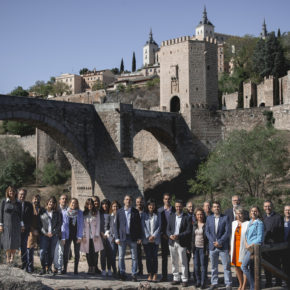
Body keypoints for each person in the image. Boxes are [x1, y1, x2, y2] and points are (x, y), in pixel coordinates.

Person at [115, 194, 142, 282]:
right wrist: (117, 237)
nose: (128, 201)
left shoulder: (135, 211)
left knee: (134, 257)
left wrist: (139, 237)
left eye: (130, 200)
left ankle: (134, 274)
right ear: (124, 201)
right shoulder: (119, 211)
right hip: (122, 237)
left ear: (131, 201)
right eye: (126, 199)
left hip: (132, 237)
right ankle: (122, 273)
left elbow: (139, 226)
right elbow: (116, 226)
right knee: (121, 256)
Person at [205, 200, 232, 290]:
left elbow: (227, 232)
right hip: (212, 246)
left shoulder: (225, 218)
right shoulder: (209, 218)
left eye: (218, 206)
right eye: (215, 207)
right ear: (212, 209)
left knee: (226, 266)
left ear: (220, 208)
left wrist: (220, 242)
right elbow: (207, 232)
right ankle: (214, 282)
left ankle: (228, 284)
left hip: (223, 246)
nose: (216, 208)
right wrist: (214, 241)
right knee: (213, 266)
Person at [167, 199, 192, 287]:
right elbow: (168, 229)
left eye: (180, 206)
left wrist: (179, 235)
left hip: (182, 242)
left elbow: (188, 231)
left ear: (182, 207)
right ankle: (176, 278)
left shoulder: (187, 217)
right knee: (174, 261)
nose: (178, 208)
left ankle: (184, 279)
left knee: (183, 262)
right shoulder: (171, 216)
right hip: (172, 242)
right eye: (176, 206)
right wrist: (170, 235)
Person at [241, 206, 264, 290]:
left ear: (258, 212)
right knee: (251, 269)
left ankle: (254, 285)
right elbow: (246, 235)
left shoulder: (259, 223)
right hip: (248, 248)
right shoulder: (250, 222)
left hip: (254, 249)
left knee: (243, 266)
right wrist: (246, 243)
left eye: (255, 211)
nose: (253, 213)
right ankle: (252, 287)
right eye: (252, 211)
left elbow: (260, 238)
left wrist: (250, 245)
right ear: (250, 213)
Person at [263, 200, 284, 287]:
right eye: (266, 206)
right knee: (266, 266)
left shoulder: (278, 217)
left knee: (276, 265)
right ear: (263, 208)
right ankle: (268, 283)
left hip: (274, 246)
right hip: (264, 246)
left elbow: (280, 232)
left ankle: (278, 283)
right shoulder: (262, 217)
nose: (267, 208)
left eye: (269, 206)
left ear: (272, 206)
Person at [0, 186, 23, 265]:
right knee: (7, 241)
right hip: (6, 224)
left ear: (15, 192)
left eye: (13, 191)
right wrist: (1, 224)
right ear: (7, 192)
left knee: (14, 240)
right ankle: (7, 257)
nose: (12, 192)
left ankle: (12, 257)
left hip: (16, 224)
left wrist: (22, 225)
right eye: (10, 191)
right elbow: (1, 214)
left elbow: (21, 215)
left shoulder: (18, 202)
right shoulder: (4, 201)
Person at [39, 196, 62, 275]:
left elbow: (59, 224)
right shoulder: (42, 211)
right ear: (47, 202)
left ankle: (49, 268)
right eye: (50, 201)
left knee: (51, 253)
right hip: (44, 235)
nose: (51, 203)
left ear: (55, 204)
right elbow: (39, 224)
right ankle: (43, 268)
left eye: (53, 202)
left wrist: (53, 232)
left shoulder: (57, 213)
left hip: (54, 236)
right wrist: (44, 232)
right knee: (42, 252)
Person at [81, 198, 104, 274]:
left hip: (94, 236)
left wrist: (97, 234)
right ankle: (90, 267)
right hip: (86, 237)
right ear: (86, 205)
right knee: (88, 253)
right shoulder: (84, 213)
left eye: (91, 204)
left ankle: (94, 267)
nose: (90, 206)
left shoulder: (96, 213)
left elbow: (98, 224)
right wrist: (83, 236)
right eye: (88, 204)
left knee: (95, 253)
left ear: (93, 205)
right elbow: (82, 226)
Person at [230, 206, 249, 290]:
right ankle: (240, 284)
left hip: (243, 248)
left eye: (241, 213)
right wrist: (230, 249)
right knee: (236, 267)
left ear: (244, 214)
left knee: (244, 267)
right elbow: (231, 237)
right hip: (235, 248)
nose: (239, 215)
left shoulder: (247, 223)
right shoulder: (233, 223)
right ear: (236, 215)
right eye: (238, 214)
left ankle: (244, 286)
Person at [62, 198, 83, 275]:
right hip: (67, 235)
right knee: (66, 252)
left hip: (77, 235)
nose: (73, 204)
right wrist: (63, 237)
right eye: (72, 203)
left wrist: (80, 236)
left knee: (77, 253)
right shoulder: (65, 213)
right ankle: (65, 269)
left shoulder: (80, 213)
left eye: (75, 203)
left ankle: (76, 269)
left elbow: (81, 225)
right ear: (70, 203)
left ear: (77, 204)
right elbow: (63, 226)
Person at [141, 198, 160, 283]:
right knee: (148, 257)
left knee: (155, 257)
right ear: (147, 206)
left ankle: (155, 273)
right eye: (149, 205)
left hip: (155, 240)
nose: (151, 206)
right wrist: (148, 236)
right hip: (147, 239)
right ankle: (149, 274)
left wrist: (154, 236)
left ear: (155, 206)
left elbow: (160, 226)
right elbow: (143, 225)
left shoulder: (158, 214)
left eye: (152, 205)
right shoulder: (144, 214)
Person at [158, 193, 175, 282]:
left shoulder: (174, 210)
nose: (167, 200)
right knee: (164, 257)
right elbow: (158, 224)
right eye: (165, 199)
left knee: (174, 257)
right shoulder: (159, 211)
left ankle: (175, 276)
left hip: (173, 237)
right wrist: (162, 234)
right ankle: (164, 276)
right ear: (163, 200)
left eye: (168, 199)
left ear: (170, 199)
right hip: (164, 237)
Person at [192, 208, 208, 289]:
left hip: (203, 248)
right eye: (198, 214)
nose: (199, 216)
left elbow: (207, 238)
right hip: (195, 248)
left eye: (201, 214)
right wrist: (191, 248)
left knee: (203, 266)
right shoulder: (194, 224)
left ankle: (203, 282)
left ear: (203, 215)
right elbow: (192, 237)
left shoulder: (206, 225)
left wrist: (207, 250)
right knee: (196, 266)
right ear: (196, 216)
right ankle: (198, 281)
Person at [18, 188, 33, 270]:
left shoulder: (29, 205)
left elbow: (31, 218)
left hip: (25, 230)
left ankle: (24, 266)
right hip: (15, 230)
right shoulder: (15, 204)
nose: (22, 196)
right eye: (21, 194)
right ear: (18, 194)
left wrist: (26, 226)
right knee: (13, 247)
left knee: (24, 247)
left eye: (24, 194)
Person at [104, 200, 120, 276]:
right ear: (111, 207)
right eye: (114, 206)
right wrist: (109, 236)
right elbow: (106, 227)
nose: (115, 207)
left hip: (120, 239)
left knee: (120, 256)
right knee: (112, 256)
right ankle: (114, 270)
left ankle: (120, 270)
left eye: (116, 206)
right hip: (112, 239)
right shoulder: (110, 216)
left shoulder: (121, 216)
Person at [53, 194, 68, 274]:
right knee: (55, 251)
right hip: (55, 233)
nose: (64, 200)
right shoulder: (55, 209)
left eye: (65, 199)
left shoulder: (68, 210)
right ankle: (55, 266)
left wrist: (64, 236)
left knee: (60, 251)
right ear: (59, 200)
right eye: (62, 199)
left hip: (63, 234)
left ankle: (59, 267)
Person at [27, 194, 42, 273]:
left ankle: (44, 267)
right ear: (32, 199)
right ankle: (30, 267)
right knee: (30, 250)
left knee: (42, 251)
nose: (36, 201)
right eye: (35, 199)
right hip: (31, 231)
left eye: (38, 199)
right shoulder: (29, 208)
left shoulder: (41, 208)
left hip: (40, 232)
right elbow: (28, 220)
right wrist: (33, 230)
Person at [100, 198, 112, 276]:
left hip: (109, 235)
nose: (105, 206)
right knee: (103, 254)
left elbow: (112, 225)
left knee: (109, 253)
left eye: (106, 204)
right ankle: (103, 269)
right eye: (103, 204)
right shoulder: (99, 214)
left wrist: (107, 232)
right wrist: (102, 233)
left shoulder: (111, 214)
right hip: (101, 235)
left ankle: (109, 269)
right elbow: (98, 224)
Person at [186, 201, 195, 281]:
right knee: (187, 260)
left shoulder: (197, 216)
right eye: (189, 207)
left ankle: (196, 276)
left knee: (196, 260)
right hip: (187, 241)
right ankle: (187, 276)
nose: (191, 208)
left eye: (192, 206)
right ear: (186, 208)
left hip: (196, 241)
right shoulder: (185, 217)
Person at [92, 196, 102, 274]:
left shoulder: (100, 211)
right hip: (91, 235)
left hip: (98, 234)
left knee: (96, 252)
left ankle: (95, 267)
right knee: (91, 252)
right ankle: (92, 267)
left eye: (97, 201)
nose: (96, 202)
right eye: (94, 201)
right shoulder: (89, 211)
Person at [136, 196, 144, 276]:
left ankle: (150, 272)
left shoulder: (146, 211)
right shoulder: (134, 211)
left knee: (148, 255)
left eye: (140, 202)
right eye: (138, 202)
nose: (139, 203)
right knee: (137, 254)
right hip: (137, 236)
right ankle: (139, 270)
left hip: (146, 235)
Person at [283, 204, 290, 288]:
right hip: (281, 247)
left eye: (289, 210)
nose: (288, 211)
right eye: (286, 210)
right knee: (284, 264)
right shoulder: (281, 220)